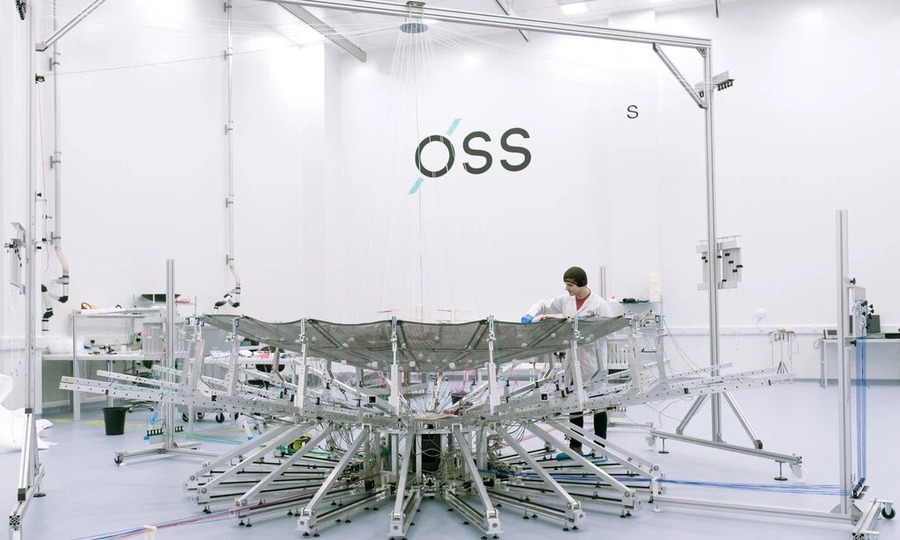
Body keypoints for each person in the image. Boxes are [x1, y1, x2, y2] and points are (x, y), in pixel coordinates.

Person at [521, 266, 613, 460]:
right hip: (572, 361)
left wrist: (586, 334)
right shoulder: (566, 301)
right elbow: (543, 304)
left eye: (570, 285)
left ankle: (600, 450)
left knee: (599, 404)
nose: (567, 288)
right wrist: (531, 314)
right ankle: (575, 448)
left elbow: (609, 332)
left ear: (581, 284)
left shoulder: (599, 305)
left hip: (593, 362)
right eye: (566, 284)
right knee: (574, 403)